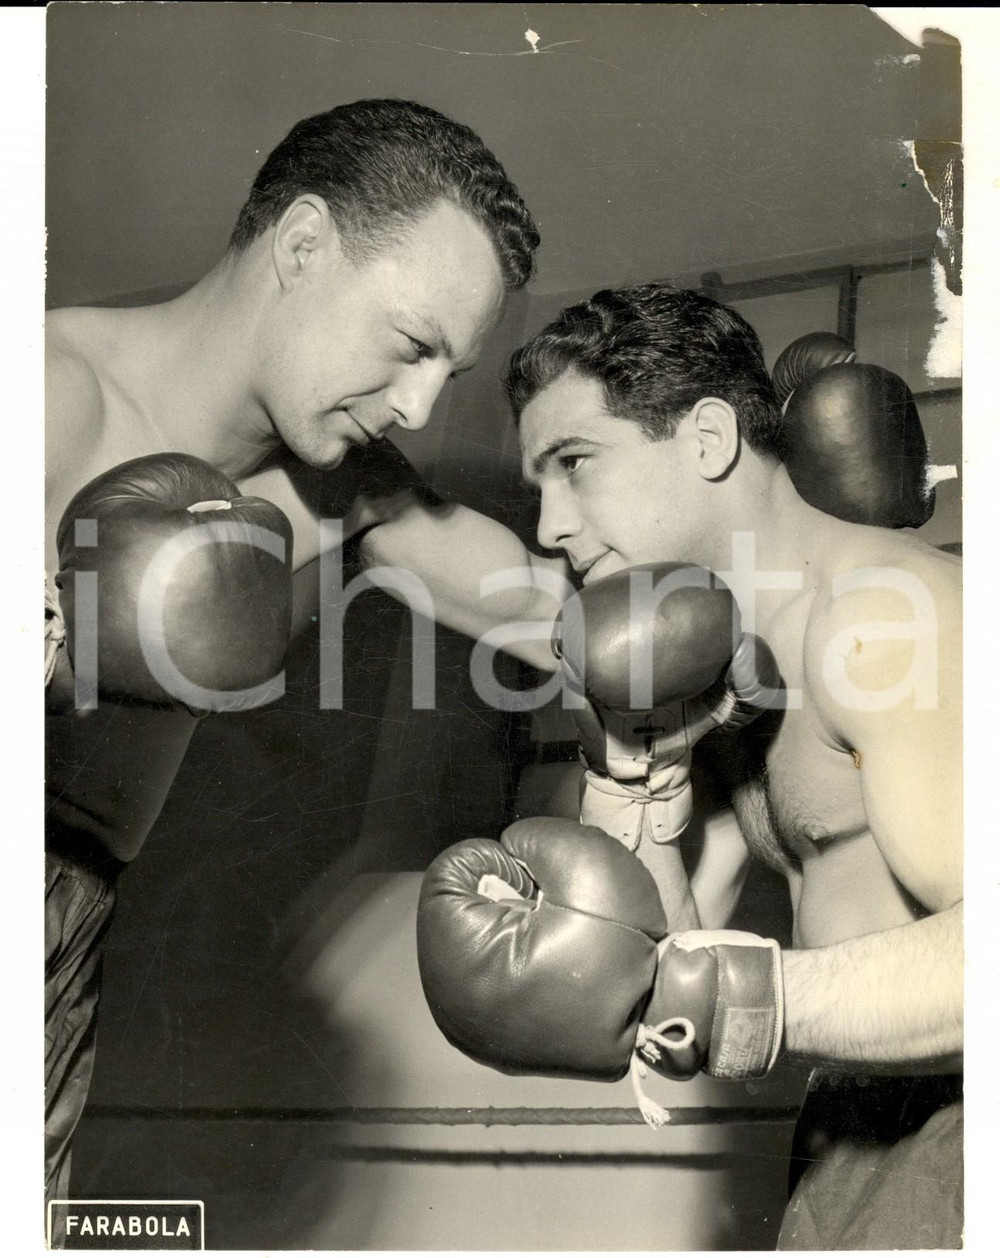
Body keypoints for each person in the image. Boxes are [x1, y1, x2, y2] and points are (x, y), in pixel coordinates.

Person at [44, 96, 541, 1204]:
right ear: (303, 244)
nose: (416, 407)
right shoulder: (43, 401)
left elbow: (554, 615)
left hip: (66, 960)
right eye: (412, 346)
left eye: (446, 376)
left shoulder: (343, 494)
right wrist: (56, 650)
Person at [394, 284, 962, 1250]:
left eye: (575, 464)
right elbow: (671, 960)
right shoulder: (724, 665)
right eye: (539, 488)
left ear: (707, 440)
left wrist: (742, 999)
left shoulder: (879, 618)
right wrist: (639, 778)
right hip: (849, 1129)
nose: (550, 527)